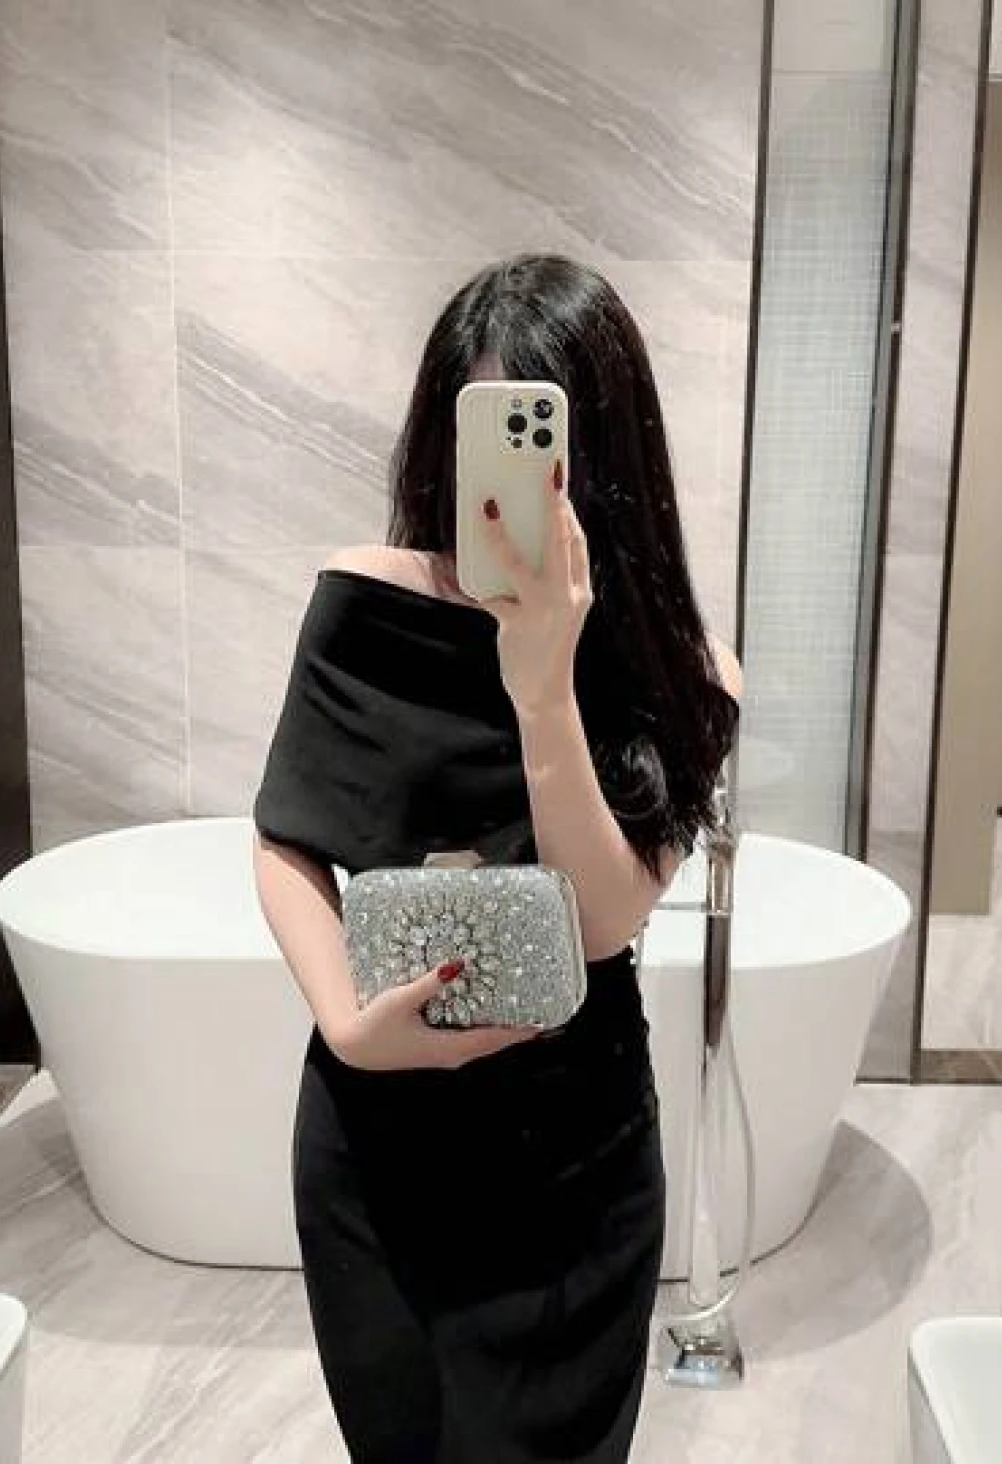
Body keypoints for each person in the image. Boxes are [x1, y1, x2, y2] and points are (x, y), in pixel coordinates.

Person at [251, 253, 742, 1463]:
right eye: (482, 436)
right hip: (375, 1148)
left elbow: (601, 922)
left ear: (606, 462)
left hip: (573, 1165)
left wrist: (542, 682)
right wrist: (346, 1024)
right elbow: (284, 841)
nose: (506, 487)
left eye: (541, 445)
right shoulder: (364, 605)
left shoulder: (683, 672)